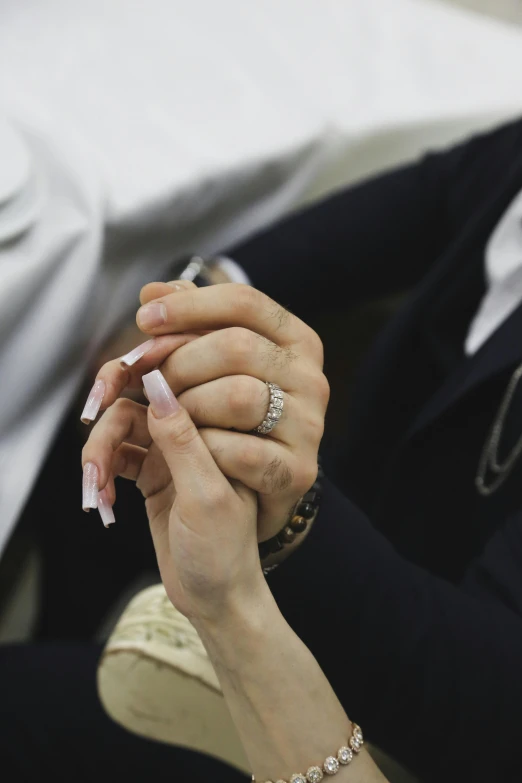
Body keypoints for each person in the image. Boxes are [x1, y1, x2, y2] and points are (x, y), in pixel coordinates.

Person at [4, 115, 522, 782]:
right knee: (97, 433)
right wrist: (207, 286)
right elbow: (435, 190)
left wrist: (291, 526)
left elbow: (489, 706)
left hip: (393, 703)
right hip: (339, 537)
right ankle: (78, 641)